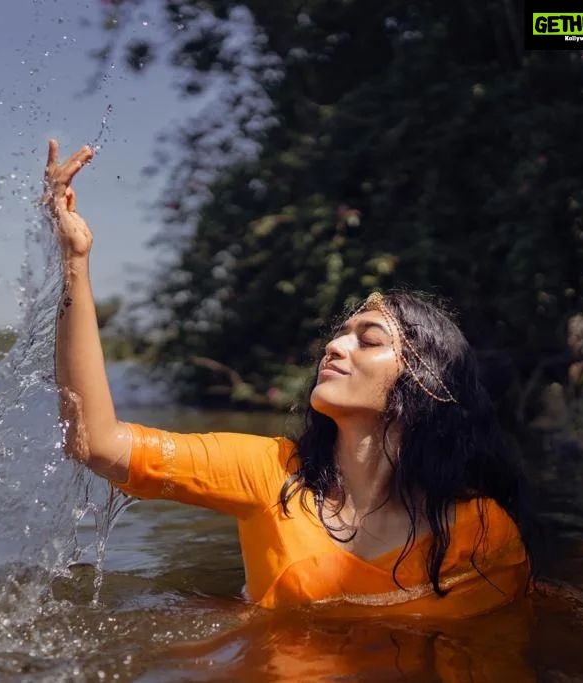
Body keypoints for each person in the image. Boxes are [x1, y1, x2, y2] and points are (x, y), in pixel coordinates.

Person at [43, 139, 535, 615]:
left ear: (425, 384)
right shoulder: (271, 475)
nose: (334, 345)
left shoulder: (484, 531)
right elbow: (96, 442)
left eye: (368, 339)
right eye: (339, 335)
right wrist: (75, 262)